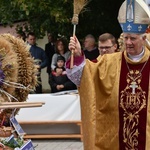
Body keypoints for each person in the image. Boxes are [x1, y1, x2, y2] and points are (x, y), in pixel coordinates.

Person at [66, 0, 150, 149]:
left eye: (133, 38)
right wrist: (79, 55)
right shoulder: (109, 62)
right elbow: (85, 77)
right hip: (115, 138)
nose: (128, 42)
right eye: (126, 37)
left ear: (144, 39)